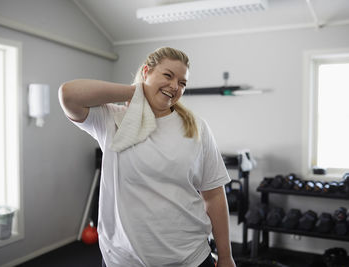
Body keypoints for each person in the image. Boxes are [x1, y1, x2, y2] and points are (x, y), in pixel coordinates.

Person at [58, 47, 236, 267]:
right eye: (168, 75)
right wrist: (135, 92)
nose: (175, 86)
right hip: (123, 260)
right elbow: (69, 94)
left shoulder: (197, 128)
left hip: (189, 257)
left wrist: (226, 256)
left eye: (182, 83)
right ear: (146, 72)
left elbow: (214, 195)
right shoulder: (112, 119)